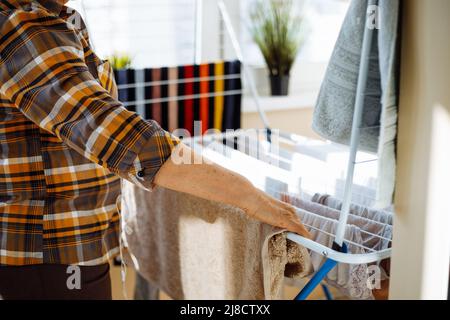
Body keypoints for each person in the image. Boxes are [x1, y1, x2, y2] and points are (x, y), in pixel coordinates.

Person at [0, 0, 309, 300]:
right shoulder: (25, 28)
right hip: (54, 252)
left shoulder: (52, 19)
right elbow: (122, 136)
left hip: (63, 248)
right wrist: (249, 197)